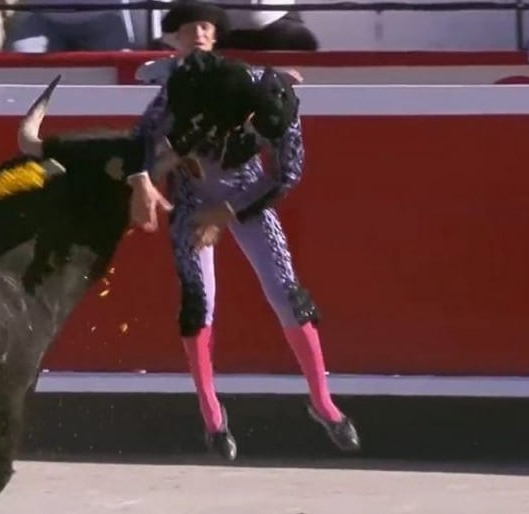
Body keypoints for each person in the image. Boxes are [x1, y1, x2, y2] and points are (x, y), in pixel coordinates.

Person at [127, 1, 360, 461]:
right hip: (195, 198)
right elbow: (143, 142)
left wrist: (227, 212)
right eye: (188, 27)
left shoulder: (260, 89)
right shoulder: (177, 89)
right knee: (199, 303)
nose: (199, 33)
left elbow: (287, 173)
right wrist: (145, 178)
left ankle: (324, 403)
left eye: (206, 27)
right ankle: (212, 416)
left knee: (287, 295)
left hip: (244, 198)